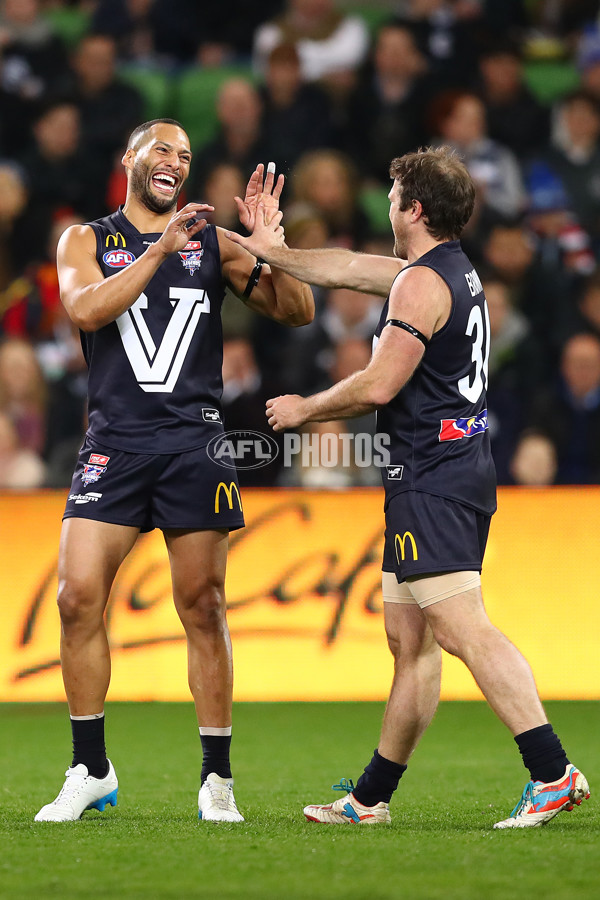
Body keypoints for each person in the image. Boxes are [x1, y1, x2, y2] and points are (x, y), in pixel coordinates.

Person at [226, 146, 590, 828]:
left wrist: (304, 408)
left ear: (413, 208)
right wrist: (274, 252)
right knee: (410, 639)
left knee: (460, 628)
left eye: (394, 198)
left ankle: (551, 771)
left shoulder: (420, 285)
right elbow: (346, 268)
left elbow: (380, 384)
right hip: (447, 469)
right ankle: (370, 799)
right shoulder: (443, 271)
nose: (386, 207)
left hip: (432, 475)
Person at [34, 118, 313, 824]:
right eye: (162, 148)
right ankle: (90, 768)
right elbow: (84, 307)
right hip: (115, 445)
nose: (175, 162)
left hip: (197, 446)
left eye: (186, 155)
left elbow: (299, 311)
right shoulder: (86, 240)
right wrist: (160, 250)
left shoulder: (215, 244)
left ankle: (216, 780)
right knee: (75, 598)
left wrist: (269, 248)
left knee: (204, 605)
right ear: (129, 158)